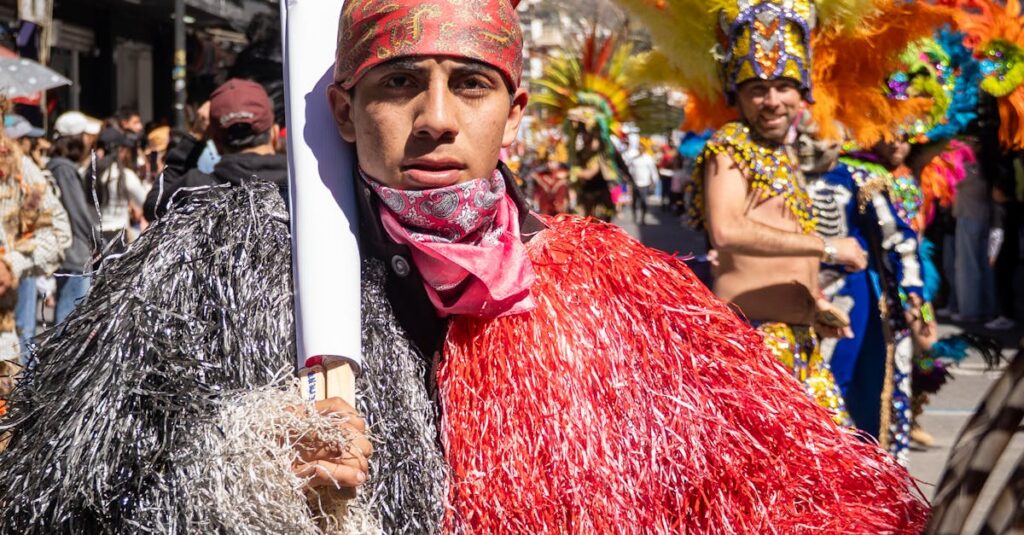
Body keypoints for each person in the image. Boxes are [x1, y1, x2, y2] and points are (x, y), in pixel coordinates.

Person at [0, 0, 928, 532]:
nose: (437, 118)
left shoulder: (613, 289)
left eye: (470, 84)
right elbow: (53, 494)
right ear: (345, 105)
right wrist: (245, 473)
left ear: (513, 113)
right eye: (400, 83)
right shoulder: (212, 265)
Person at [688, 0, 867, 423]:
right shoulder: (730, 146)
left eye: (784, 86)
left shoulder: (783, 155)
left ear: (802, 90)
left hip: (800, 346)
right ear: (737, 94)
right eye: (757, 88)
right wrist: (829, 247)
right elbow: (727, 230)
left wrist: (815, 305)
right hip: (752, 348)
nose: (772, 101)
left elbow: (778, 254)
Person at [143, 79, 286, 221]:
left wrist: (195, 136)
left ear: (216, 144)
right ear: (274, 134)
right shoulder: (295, 183)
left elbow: (154, 209)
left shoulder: (194, 188)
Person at [3, 114, 71, 360]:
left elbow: (57, 233)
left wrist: (10, 264)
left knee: (26, 328)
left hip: (2, 344)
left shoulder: (18, 169)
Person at [48, 111, 101, 324]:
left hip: (73, 251)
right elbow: (78, 213)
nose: (89, 142)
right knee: (69, 319)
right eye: (86, 137)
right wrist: (99, 241)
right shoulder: (64, 169)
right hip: (75, 253)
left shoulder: (62, 167)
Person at [627, 140, 658, 224]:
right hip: (635, 183)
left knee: (643, 201)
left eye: (642, 148)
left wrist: (655, 181)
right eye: (639, 148)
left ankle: (643, 218)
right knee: (634, 202)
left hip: (644, 183)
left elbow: (653, 171)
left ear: (644, 149)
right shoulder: (633, 159)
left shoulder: (648, 159)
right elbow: (630, 170)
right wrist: (629, 180)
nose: (640, 149)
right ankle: (634, 217)